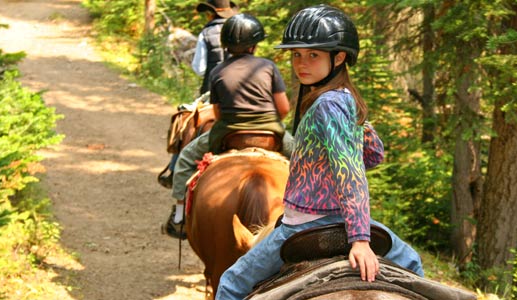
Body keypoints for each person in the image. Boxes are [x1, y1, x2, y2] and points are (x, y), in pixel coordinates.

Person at [215, 5, 423, 299]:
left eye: (313, 55)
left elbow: (350, 173)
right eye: (297, 54)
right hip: (342, 218)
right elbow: (376, 155)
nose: (302, 63)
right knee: (412, 263)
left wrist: (361, 241)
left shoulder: (326, 104)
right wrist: (359, 124)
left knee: (231, 284)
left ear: (338, 58)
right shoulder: (344, 99)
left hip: (305, 223)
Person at [161, 13, 292, 239]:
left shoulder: (218, 71)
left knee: (184, 159)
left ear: (226, 45)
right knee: (309, 163)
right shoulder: (268, 67)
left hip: (230, 133)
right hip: (270, 132)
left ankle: (179, 217)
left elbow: (218, 113)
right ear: (255, 44)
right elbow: (283, 109)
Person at [157, 0, 238, 189]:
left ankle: (174, 169)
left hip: (212, 93)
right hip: (244, 95)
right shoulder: (239, 30)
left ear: (210, 14)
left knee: (185, 121)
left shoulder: (206, 33)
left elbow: (199, 68)